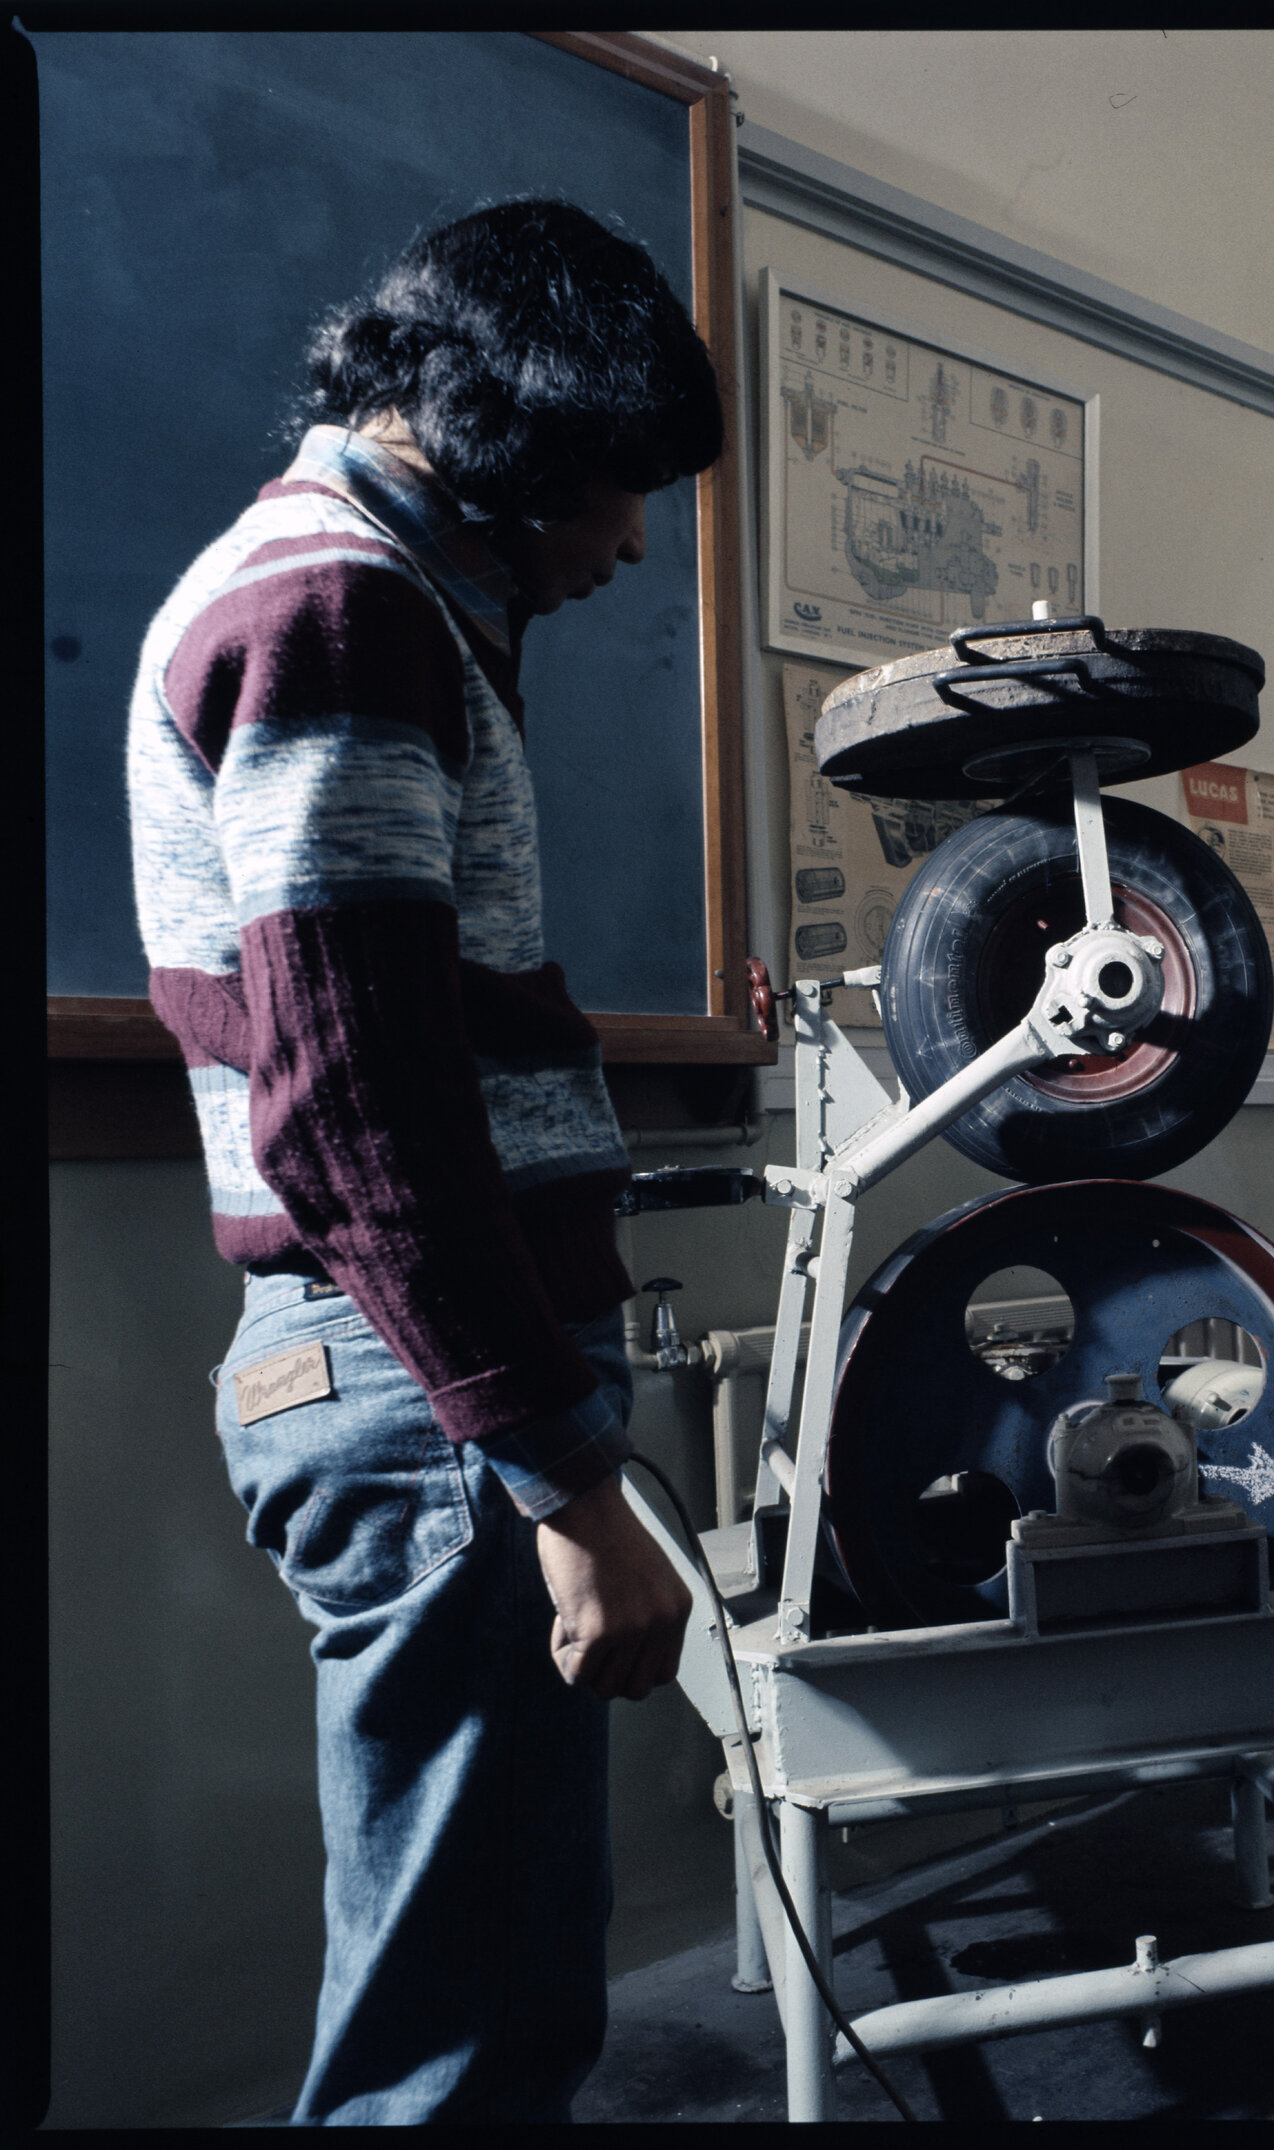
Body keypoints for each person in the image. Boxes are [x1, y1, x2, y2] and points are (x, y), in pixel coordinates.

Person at [126, 200, 716, 2122]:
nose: (636, 542)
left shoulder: (366, 594)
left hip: (424, 1387)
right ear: (521, 436)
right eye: (625, 484)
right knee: (446, 2048)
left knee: (510, 1997)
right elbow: (353, 1101)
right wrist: (561, 1476)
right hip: (424, 1396)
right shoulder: (340, 607)